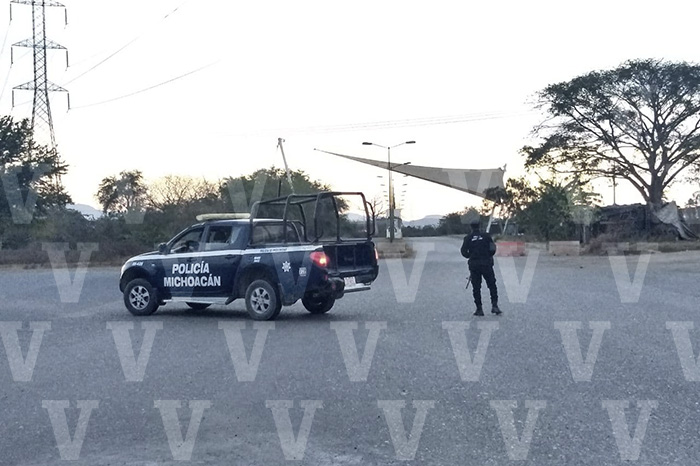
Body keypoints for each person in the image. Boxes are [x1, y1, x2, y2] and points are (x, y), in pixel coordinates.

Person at [460, 221, 501, 316]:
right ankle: (495, 306)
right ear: (480, 226)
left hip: (474, 265)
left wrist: (470, 256)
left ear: (470, 227)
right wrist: (488, 256)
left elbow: (463, 252)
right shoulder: (486, 236)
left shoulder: (468, 238)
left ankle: (479, 309)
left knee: (476, 287)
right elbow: (493, 249)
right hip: (486, 264)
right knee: (492, 285)